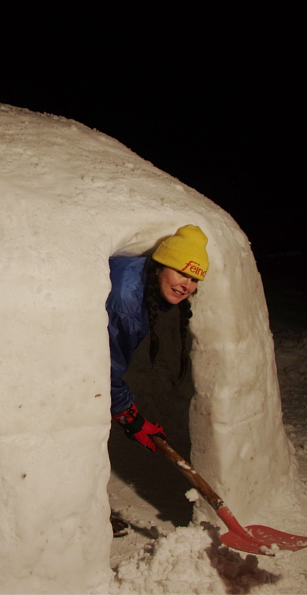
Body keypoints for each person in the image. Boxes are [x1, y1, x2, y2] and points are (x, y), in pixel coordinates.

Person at [105, 224, 208, 536]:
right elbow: (103, 370)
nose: (186, 284)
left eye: (194, 279)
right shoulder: (126, 305)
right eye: (181, 272)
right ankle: (78, 518)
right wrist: (129, 414)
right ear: (161, 264)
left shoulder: (137, 273)